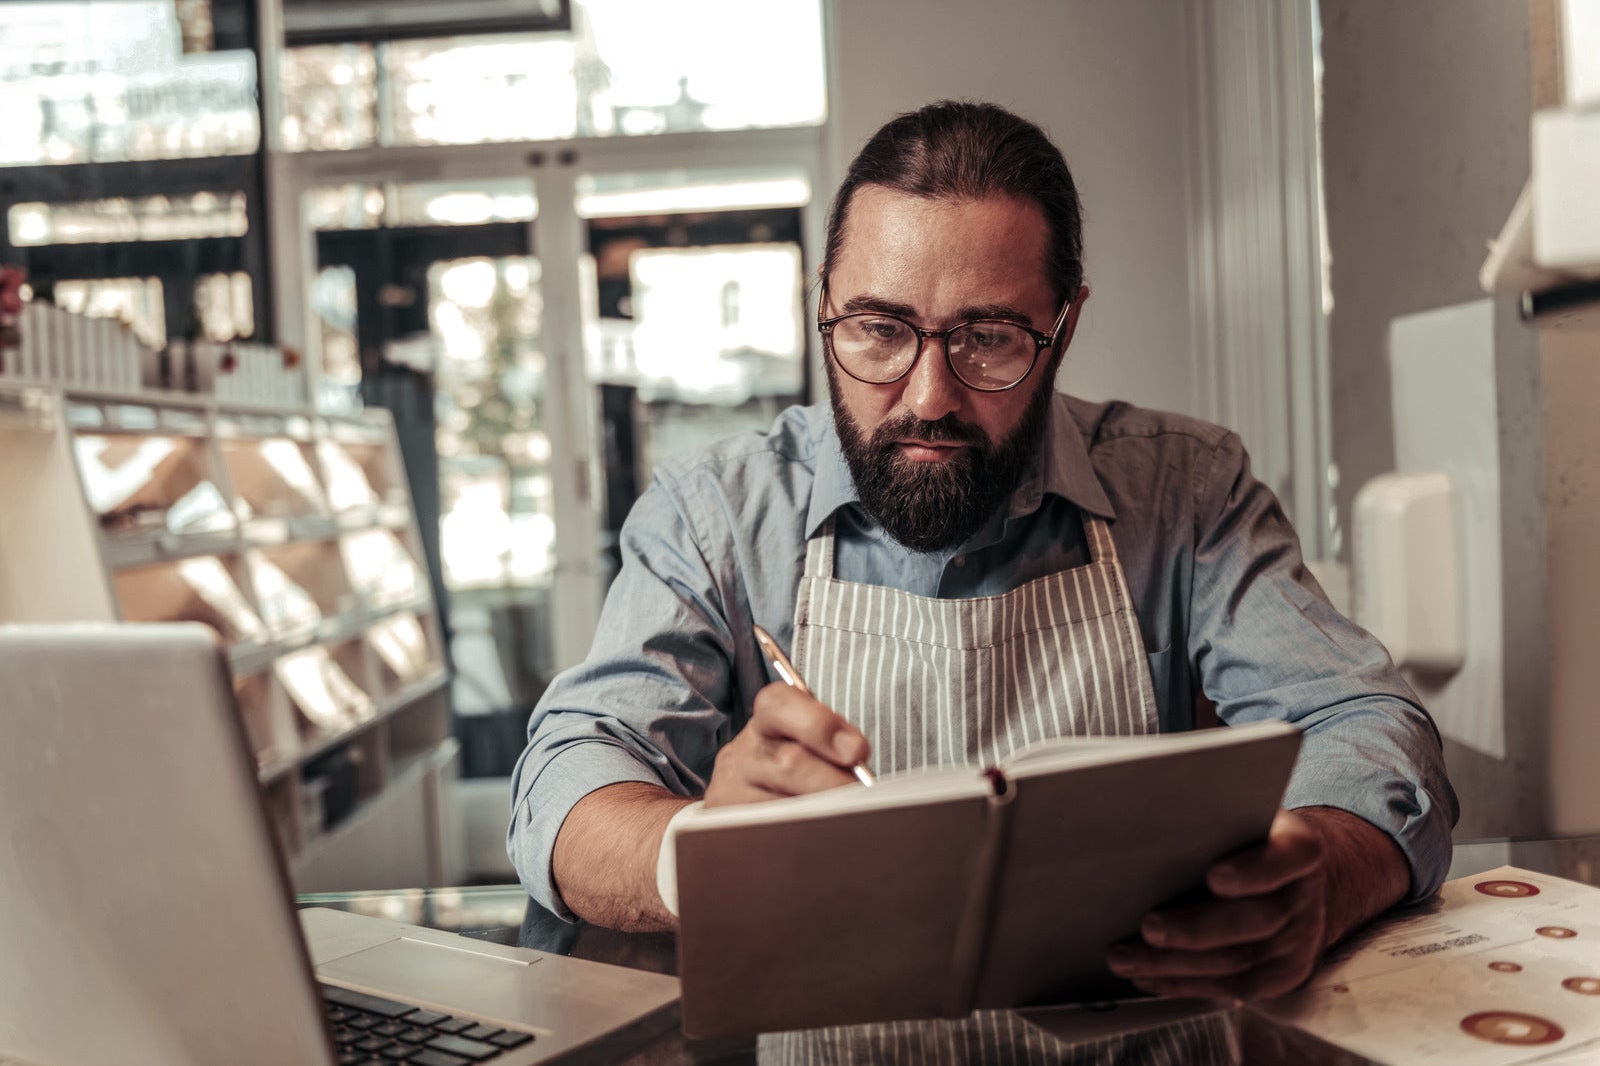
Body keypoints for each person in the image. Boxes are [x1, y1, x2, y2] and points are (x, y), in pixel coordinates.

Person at [508, 100, 1457, 1057]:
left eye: (988, 337)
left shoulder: (1185, 489)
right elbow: (568, 770)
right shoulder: (716, 514)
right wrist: (702, 849)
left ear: (1065, 322)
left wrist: (1325, 871)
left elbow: (1367, 721)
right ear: (822, 299)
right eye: (878, 329)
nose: (928, 396)